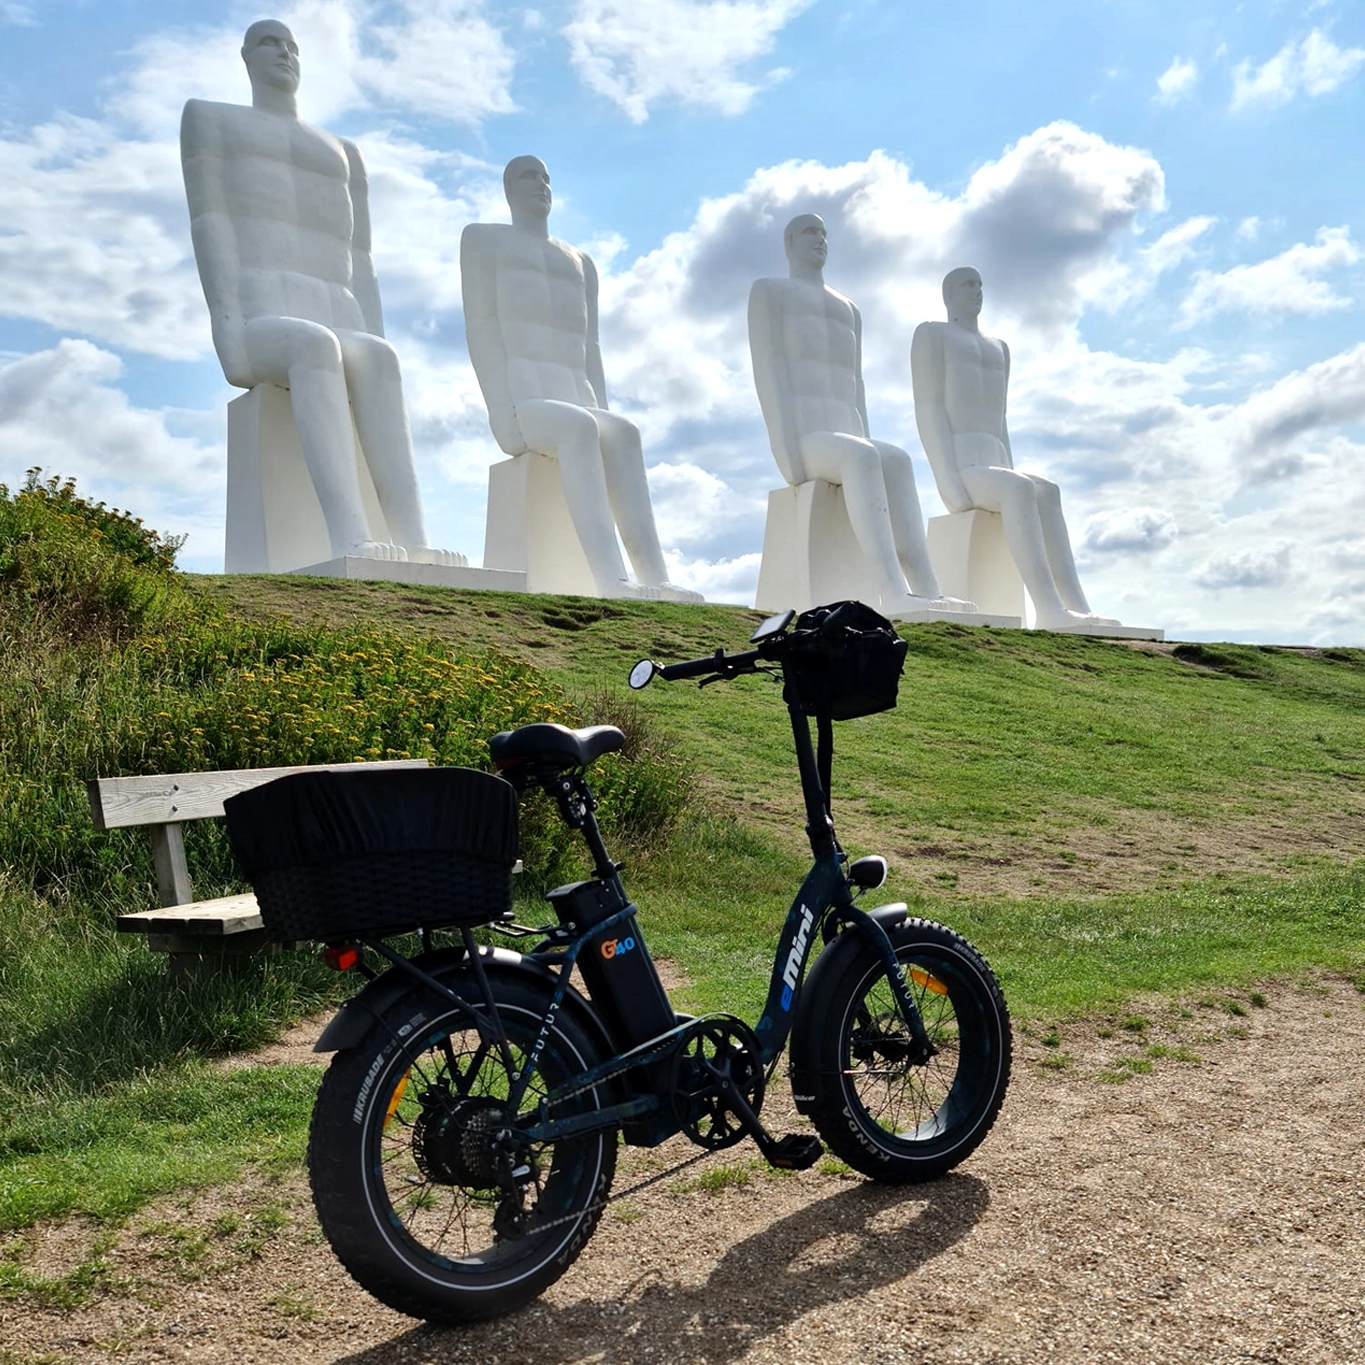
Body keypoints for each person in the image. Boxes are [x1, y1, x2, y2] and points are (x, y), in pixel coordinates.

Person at [181, 19, 460, 566]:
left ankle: (413, 539)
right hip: (264, 319)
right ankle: (350, 536)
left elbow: (362, 259)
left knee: (378, 356)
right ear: (245, 58)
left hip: (337, 313)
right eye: (269, 43)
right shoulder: (211, 119)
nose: (283, 53)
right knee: (314, 346)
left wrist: (374, 335)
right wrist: (227, 328)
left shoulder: (343, 152)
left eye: (292, 46)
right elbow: (210, 220)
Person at [460, 156, 699, 602]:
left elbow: (592, 348)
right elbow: (482, 326)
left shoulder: (580, 262)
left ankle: (654, 577)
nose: (541, 184)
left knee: (623, 432)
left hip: (576, 396)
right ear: (509, 187)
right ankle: (612, 579)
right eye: (530, 176)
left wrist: (602, 405)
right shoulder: (484, 240)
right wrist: (501, 410)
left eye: (547, 177)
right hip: (526, 401)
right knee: (579, 426)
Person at [748, 214, 974, 619]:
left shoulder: (848, 308)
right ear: (788, 243)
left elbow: (857, 384)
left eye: (823, 232)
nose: (819, 239)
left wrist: (866, 440)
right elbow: (769, 368)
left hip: (845, 435)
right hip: (807, 436)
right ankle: (892, 591)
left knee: (896, 459)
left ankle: (927, 589)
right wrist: (785, 450)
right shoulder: (770, 292)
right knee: (862, 456)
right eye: (808, 232)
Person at [911, 268, 1117, 630]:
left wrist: (1009, 466)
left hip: (994, 464)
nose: (976, 291)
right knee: (1019, 488)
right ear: (948, 293)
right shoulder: (932, 335)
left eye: (979, 284)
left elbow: (1000, 418)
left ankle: (1075, 605)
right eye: (966, 284)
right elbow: (928, 407)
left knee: (1046, 491)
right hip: (963, 464)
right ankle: (1048, 607)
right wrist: (945, 475)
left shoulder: (999, 348)